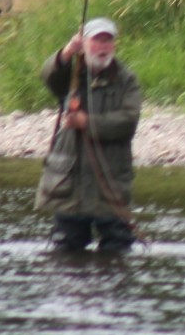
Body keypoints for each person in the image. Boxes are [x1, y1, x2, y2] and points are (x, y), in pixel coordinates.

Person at [37, 16, 142, 253]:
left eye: (108, 41)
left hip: (110, 180)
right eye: (97, 40)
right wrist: (66, 52)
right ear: (84, 44)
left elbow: (128, 121)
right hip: (70, 182)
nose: (104, 47)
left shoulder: (127, 79)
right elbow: (48, 77)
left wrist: (87, 122)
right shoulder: (71, 75)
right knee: (65, 248)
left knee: (118, 247)